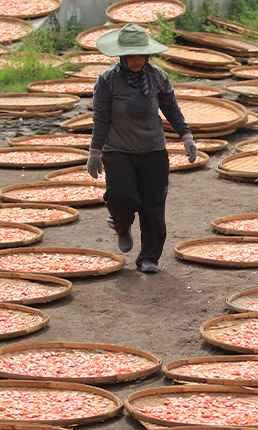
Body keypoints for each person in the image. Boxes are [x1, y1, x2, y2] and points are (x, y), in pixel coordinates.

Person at [87, 24, 197, 274]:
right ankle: (122, 225)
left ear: (147, 55)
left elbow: (171, 108)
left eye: (140, 55)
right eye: (131, 56)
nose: (136, 60)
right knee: (121, 197)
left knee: (153, 207)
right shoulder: (107, 80)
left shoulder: (158, 76)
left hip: (153, 150)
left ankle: (149, 258)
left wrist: (186, 135)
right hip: (118, 150)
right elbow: (101, 117)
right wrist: (95, 151)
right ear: (121, 56)